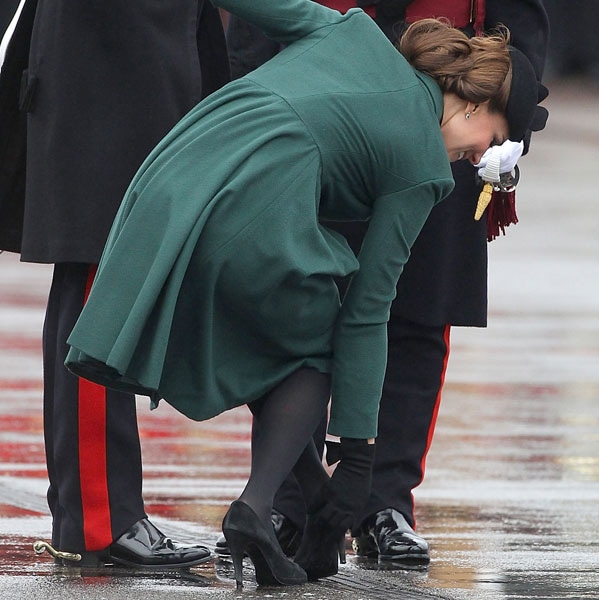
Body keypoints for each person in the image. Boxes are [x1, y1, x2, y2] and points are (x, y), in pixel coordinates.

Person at [64, 0, 547, 587]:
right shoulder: (423, 167)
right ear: (474, 102)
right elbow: (370, 310)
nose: (479, 158)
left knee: (280, 330)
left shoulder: (351, 32)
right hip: (251, 202)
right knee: (318, 340)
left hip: (178, 175)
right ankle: (254, 506)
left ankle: (297, 497)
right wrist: (359, 453)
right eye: (489, 140)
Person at [216, 0, 549, 567]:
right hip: (327, 90)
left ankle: (383, 500)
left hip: (455, 92)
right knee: (299, 307)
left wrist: (506, 99)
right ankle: (289, 499)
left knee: (419, 312)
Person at [0, 0, 230, 568]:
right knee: (99, 296)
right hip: (105, 84)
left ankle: (92, 514)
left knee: (94, 292)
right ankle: (101, 520)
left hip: (130, 76)